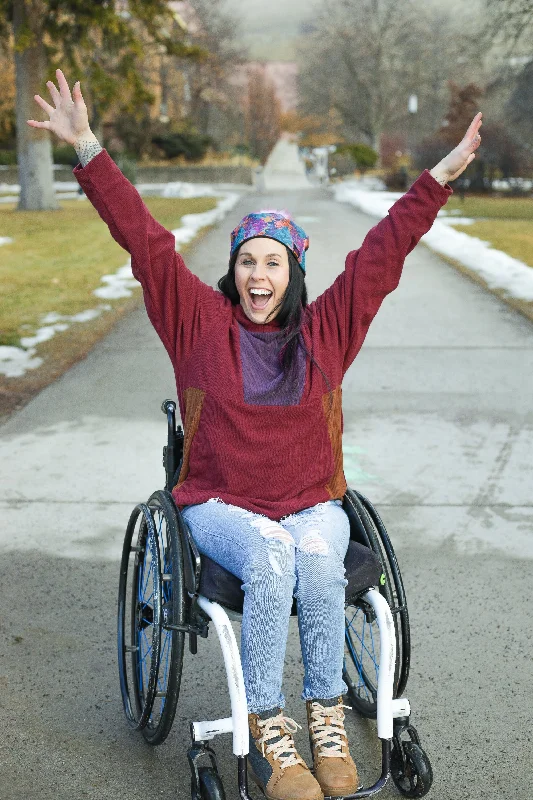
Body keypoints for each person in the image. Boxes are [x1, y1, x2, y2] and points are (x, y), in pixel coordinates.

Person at [29, 70, 481, 800]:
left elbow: (382, 255)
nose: (258, 274)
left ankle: (325, 715)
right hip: (220, 505)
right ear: (233, 270)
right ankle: (272, 733)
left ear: (293, 272)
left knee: (313, 552)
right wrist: (86, 147)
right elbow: (144, 243)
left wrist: (436, 179)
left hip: (311, 503)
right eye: (247, 260)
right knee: (272, 558)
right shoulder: (197, 323)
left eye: (274, 261)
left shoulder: (328, 329)